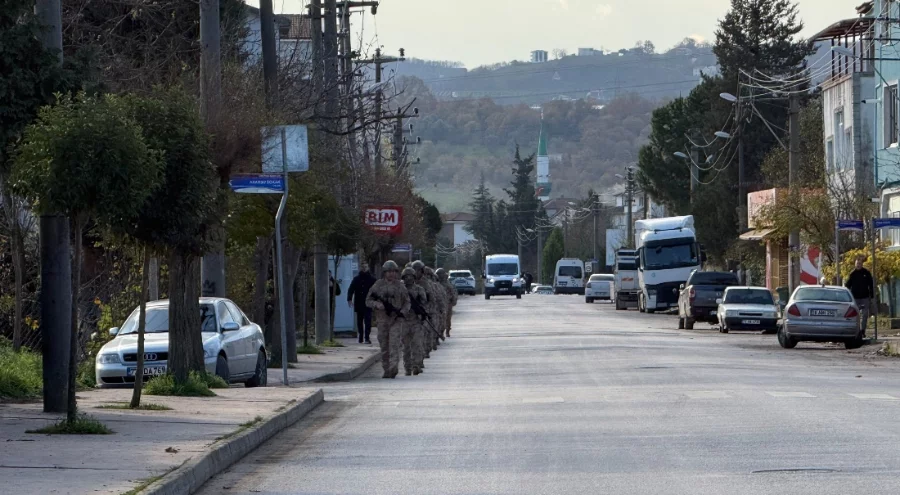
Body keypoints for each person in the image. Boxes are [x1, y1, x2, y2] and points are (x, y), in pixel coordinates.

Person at [366, 261, 410, 378]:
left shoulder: (400, 286)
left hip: (396, 320)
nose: (391, 274)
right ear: (384, 272)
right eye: (389, 272)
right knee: (384, 346)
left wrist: (403, 312)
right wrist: (377, 304)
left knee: (394, 344)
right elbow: (368, 300)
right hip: (382, 320)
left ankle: (393, 367)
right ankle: (386, 369)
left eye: (393, 271)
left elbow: (407, 302)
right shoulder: (378, 285)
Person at [401, 267, 426, 375]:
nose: (408, 278)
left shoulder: (419, 289)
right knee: (406, 346)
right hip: (404, 321)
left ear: (414, 277)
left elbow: (424, 302)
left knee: (417, 344)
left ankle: (416, 365)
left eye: (410, 276)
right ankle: (407, 367)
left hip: (416, 321)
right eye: (406, 276)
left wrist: (420, 310)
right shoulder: (400, 289)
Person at [347, 263, 376, 344]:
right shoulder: (356, 279)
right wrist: (349, 299)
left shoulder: (372, 279)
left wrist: (376, 300)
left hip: (368, 303)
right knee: (359, 321)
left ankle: (367, 337)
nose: (364, 268)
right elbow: (351, 289)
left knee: (368, 321)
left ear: (368, 268)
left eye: (365, 267)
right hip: (359, 303)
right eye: (362, 267)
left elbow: (377, 290)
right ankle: (361, 336)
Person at [845, 256, 875, 331]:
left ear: (862, 264)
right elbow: (847, 285)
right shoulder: (852, 274)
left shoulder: (866, 273)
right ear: (855, 264)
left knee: (865, 315)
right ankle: (857, 330)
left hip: (865, 297)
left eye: (860, 263)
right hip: (855, 298)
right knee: (856, 315)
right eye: (857, 264)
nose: (858, 265)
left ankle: (863, 330)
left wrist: (872, 296)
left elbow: (871, 285)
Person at [436, 268, 458, 337]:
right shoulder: (436, 284)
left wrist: (453, 301)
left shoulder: (448, 284)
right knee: (440, 318)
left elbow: (453, 292)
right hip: (439, 304)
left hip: (448, 303)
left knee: (447, 319)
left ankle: (447, 331)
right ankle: (440, 332)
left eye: (441, 274)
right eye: (439, 274)